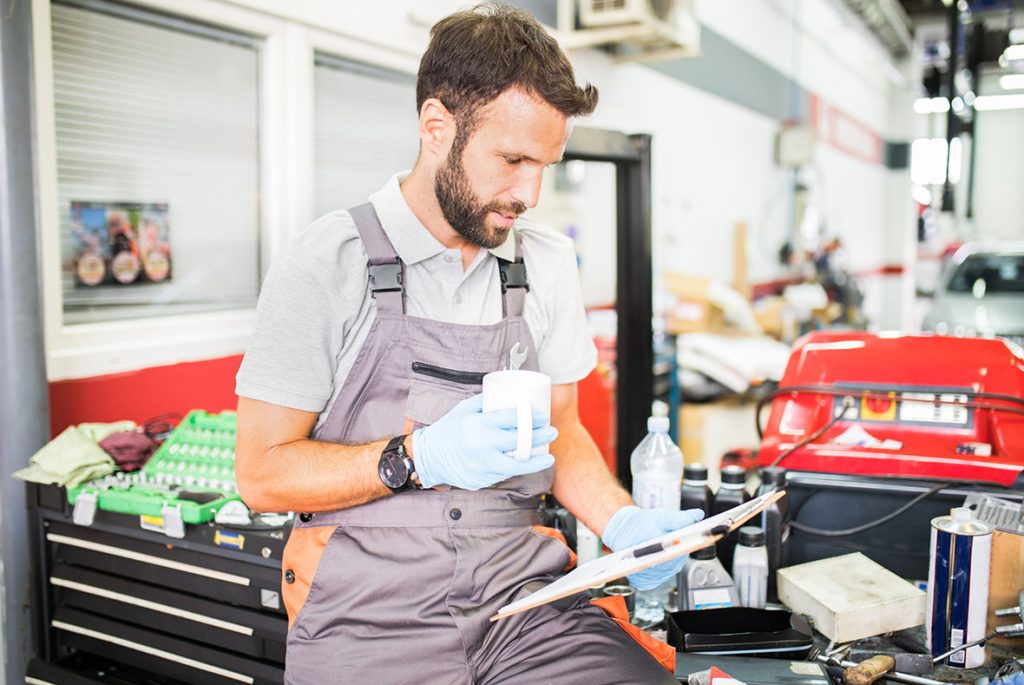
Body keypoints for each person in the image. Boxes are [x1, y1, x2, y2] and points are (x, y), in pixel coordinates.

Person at [234, 5, 702, 683]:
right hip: (366, 621)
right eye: (512, 159)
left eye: (546, 164)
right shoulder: (325, 261)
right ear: (436, 128)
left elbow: (563, 429)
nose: (531, 192)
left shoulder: (544, 264)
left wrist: (627, 521)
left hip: (524, 605)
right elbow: (261, 474)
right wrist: (416, 456)